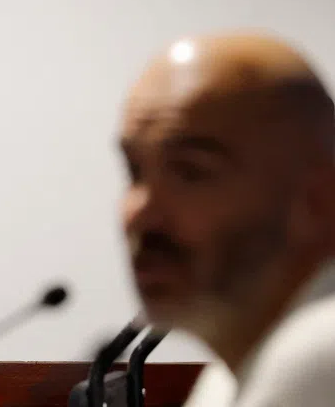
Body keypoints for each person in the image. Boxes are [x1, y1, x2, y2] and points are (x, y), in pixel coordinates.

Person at [117, 33, 335, 406]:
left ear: (315, 199)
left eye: (190, 171)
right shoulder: (229, 371)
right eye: (135, 171)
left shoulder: (316, 356)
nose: (139, 212)